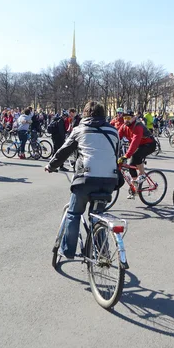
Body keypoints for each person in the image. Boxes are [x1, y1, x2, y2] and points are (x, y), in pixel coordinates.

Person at [44, 101, 119, 259]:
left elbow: (63, 151)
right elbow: (115, 155)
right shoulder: (114, 131)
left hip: (85, 178)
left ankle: (68, 251)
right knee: (98, 215)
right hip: (109, 180)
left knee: (74, 213)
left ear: (84, 114)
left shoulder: (79, 130)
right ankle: (102, 252)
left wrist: (51, 166)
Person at [117, 110, 156, 195]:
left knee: (136, 155)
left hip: (149, 144)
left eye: (128, 118)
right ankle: (135, 188)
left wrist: (126, 156)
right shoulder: (124, 127)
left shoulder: (138, 126)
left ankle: (142, 175)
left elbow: (135, 142)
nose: (126, 120)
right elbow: (116, 138)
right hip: (140, 145)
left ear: (134, 118)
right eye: (124, 118)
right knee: (131, 166)